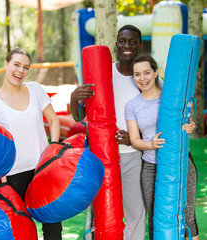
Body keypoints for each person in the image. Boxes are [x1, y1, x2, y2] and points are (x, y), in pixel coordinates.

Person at [70, 25, 147, 240]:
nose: (127, 46)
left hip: (134, 155)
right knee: (101, 212)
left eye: (132, 41)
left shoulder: (146, 77)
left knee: (136, 212)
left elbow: (156, 118)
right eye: (123, 41)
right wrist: (74, 99)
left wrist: (134, 138)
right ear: (116, 45)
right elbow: (79, 117)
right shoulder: (104, 73)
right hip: (102, 155)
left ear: (140, 46)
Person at [0, 48, 62, 240]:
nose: (21, 71)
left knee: (53, 229)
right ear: (5, 64)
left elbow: (53, 120)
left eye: (26, 67)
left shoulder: (35, 89)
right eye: (16, 65)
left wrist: (54, 151)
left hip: (42, 170)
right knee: (23, 232)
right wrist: (3, 182)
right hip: (13, 176)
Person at [125, 55, 199, 240]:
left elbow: (186, 121)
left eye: (147, 73)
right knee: (155, 218)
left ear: (156, 72)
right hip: (151, 167)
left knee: (187, 214)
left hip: (180, 162)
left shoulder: (172, 97)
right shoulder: (132, 105)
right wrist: (150, 144)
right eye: (137, 74)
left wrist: (189, 125)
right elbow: (134, 139)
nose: (142, 78)